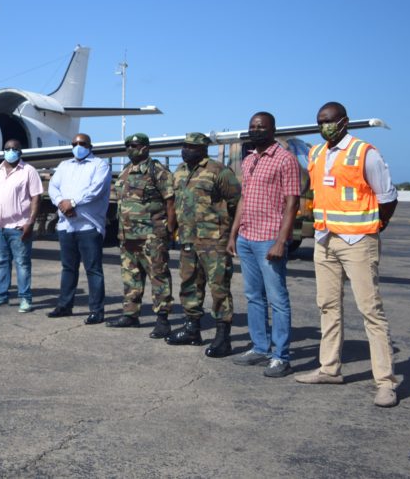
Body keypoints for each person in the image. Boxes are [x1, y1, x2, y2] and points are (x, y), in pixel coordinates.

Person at [295, 102, 400, 408]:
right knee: (327, 305)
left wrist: (376, 226)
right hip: (325, 240)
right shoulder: (316, 153)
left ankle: (385, 382)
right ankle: (329, 369)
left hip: (358, 241)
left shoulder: (365, 153)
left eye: (329, 121)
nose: (324, 126)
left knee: (371, 311)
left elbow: (388, 197)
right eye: (320, 122)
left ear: (344, 122)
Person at [227, 112, 300, 378]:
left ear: (273, 130)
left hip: (269, 238)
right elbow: (244, 199)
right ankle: (260, 348)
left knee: (277, 299)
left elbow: (292, 203)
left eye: (261, 127)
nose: (255, 130)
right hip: (247, 237)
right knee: (253, 296)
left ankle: (281, 357)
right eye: (252, 126)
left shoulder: (285, 159)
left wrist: (281, 240)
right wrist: (234, 234)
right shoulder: (249, 160)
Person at [165, 132, 242, 357]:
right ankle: (192, 329)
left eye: (191, 147)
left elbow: (236, 202)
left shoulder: (219, 171)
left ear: (203, 149)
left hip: (214, 240)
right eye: (184, 146)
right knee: (189, 284)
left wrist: (228, 231)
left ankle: (223, 337)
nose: (186, 150)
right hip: (188, 239)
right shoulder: (179, 171)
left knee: (219, 288)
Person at [109, 133, 176, 337]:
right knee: (130, 277)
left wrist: (169, 231)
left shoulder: (158, 171)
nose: (130, 149)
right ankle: (130, 315)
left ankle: (163, 320)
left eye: (135, 145)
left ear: (145, 148)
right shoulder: (125, 171)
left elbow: (170, 202)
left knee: (158, 277)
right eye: (128, 146)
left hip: (151, 236)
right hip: (127, 236)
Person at [47, 133, 112, 325]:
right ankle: (64, 305)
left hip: (88, 225)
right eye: (74, 143)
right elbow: (53, 187)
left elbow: (96, 190)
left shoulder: (99, 165)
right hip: (66, 225)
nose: (78, 146)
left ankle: (97, 311)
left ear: (90, 146)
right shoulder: (64, 165)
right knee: (68, 268)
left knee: (93, 269)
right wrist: (61, 203)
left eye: (82, 143)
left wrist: (73, 202)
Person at [0, 139, 42, 312]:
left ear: (20, 151)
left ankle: (25, 299)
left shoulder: (29, 171)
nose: (11, 151)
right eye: (7, 148)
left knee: (22, 263)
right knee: (1, 263)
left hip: (18, 227)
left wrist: (30, 222)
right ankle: (1, 296)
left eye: (15, 148)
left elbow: (36, 198)